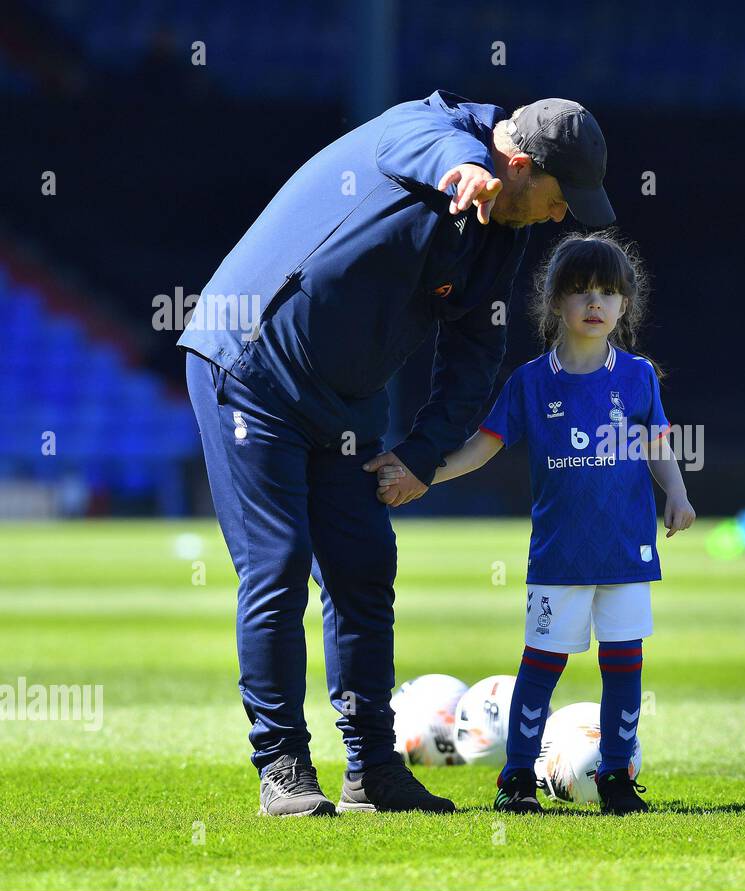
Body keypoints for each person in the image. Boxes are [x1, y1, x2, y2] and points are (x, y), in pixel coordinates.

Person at [178, 90, 614, 817]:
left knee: (364, 564)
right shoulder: (430, 130)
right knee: (278, 563)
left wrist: (421, 453)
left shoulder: (501, 236)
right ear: (516, 162)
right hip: (250, 369)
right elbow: (415, 144)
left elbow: (476, 351)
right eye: (559, 196)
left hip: (344, 404)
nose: (562, 215)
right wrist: (463, 169)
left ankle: (372, 770)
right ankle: (282, 765)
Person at [404, 232, 695, 815]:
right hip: (560, 553)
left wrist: (679, 495)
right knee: (540, 666)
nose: (596, 302)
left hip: (625, 550)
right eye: (582, 290)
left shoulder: (637, 377)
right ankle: (516, 778)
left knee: (624, 665)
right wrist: (424, 474)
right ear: (554, 301)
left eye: (609, 293)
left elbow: (657, 443)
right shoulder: (531, 382)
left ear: (624, 305)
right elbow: (483, 447)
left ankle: (616, 775)